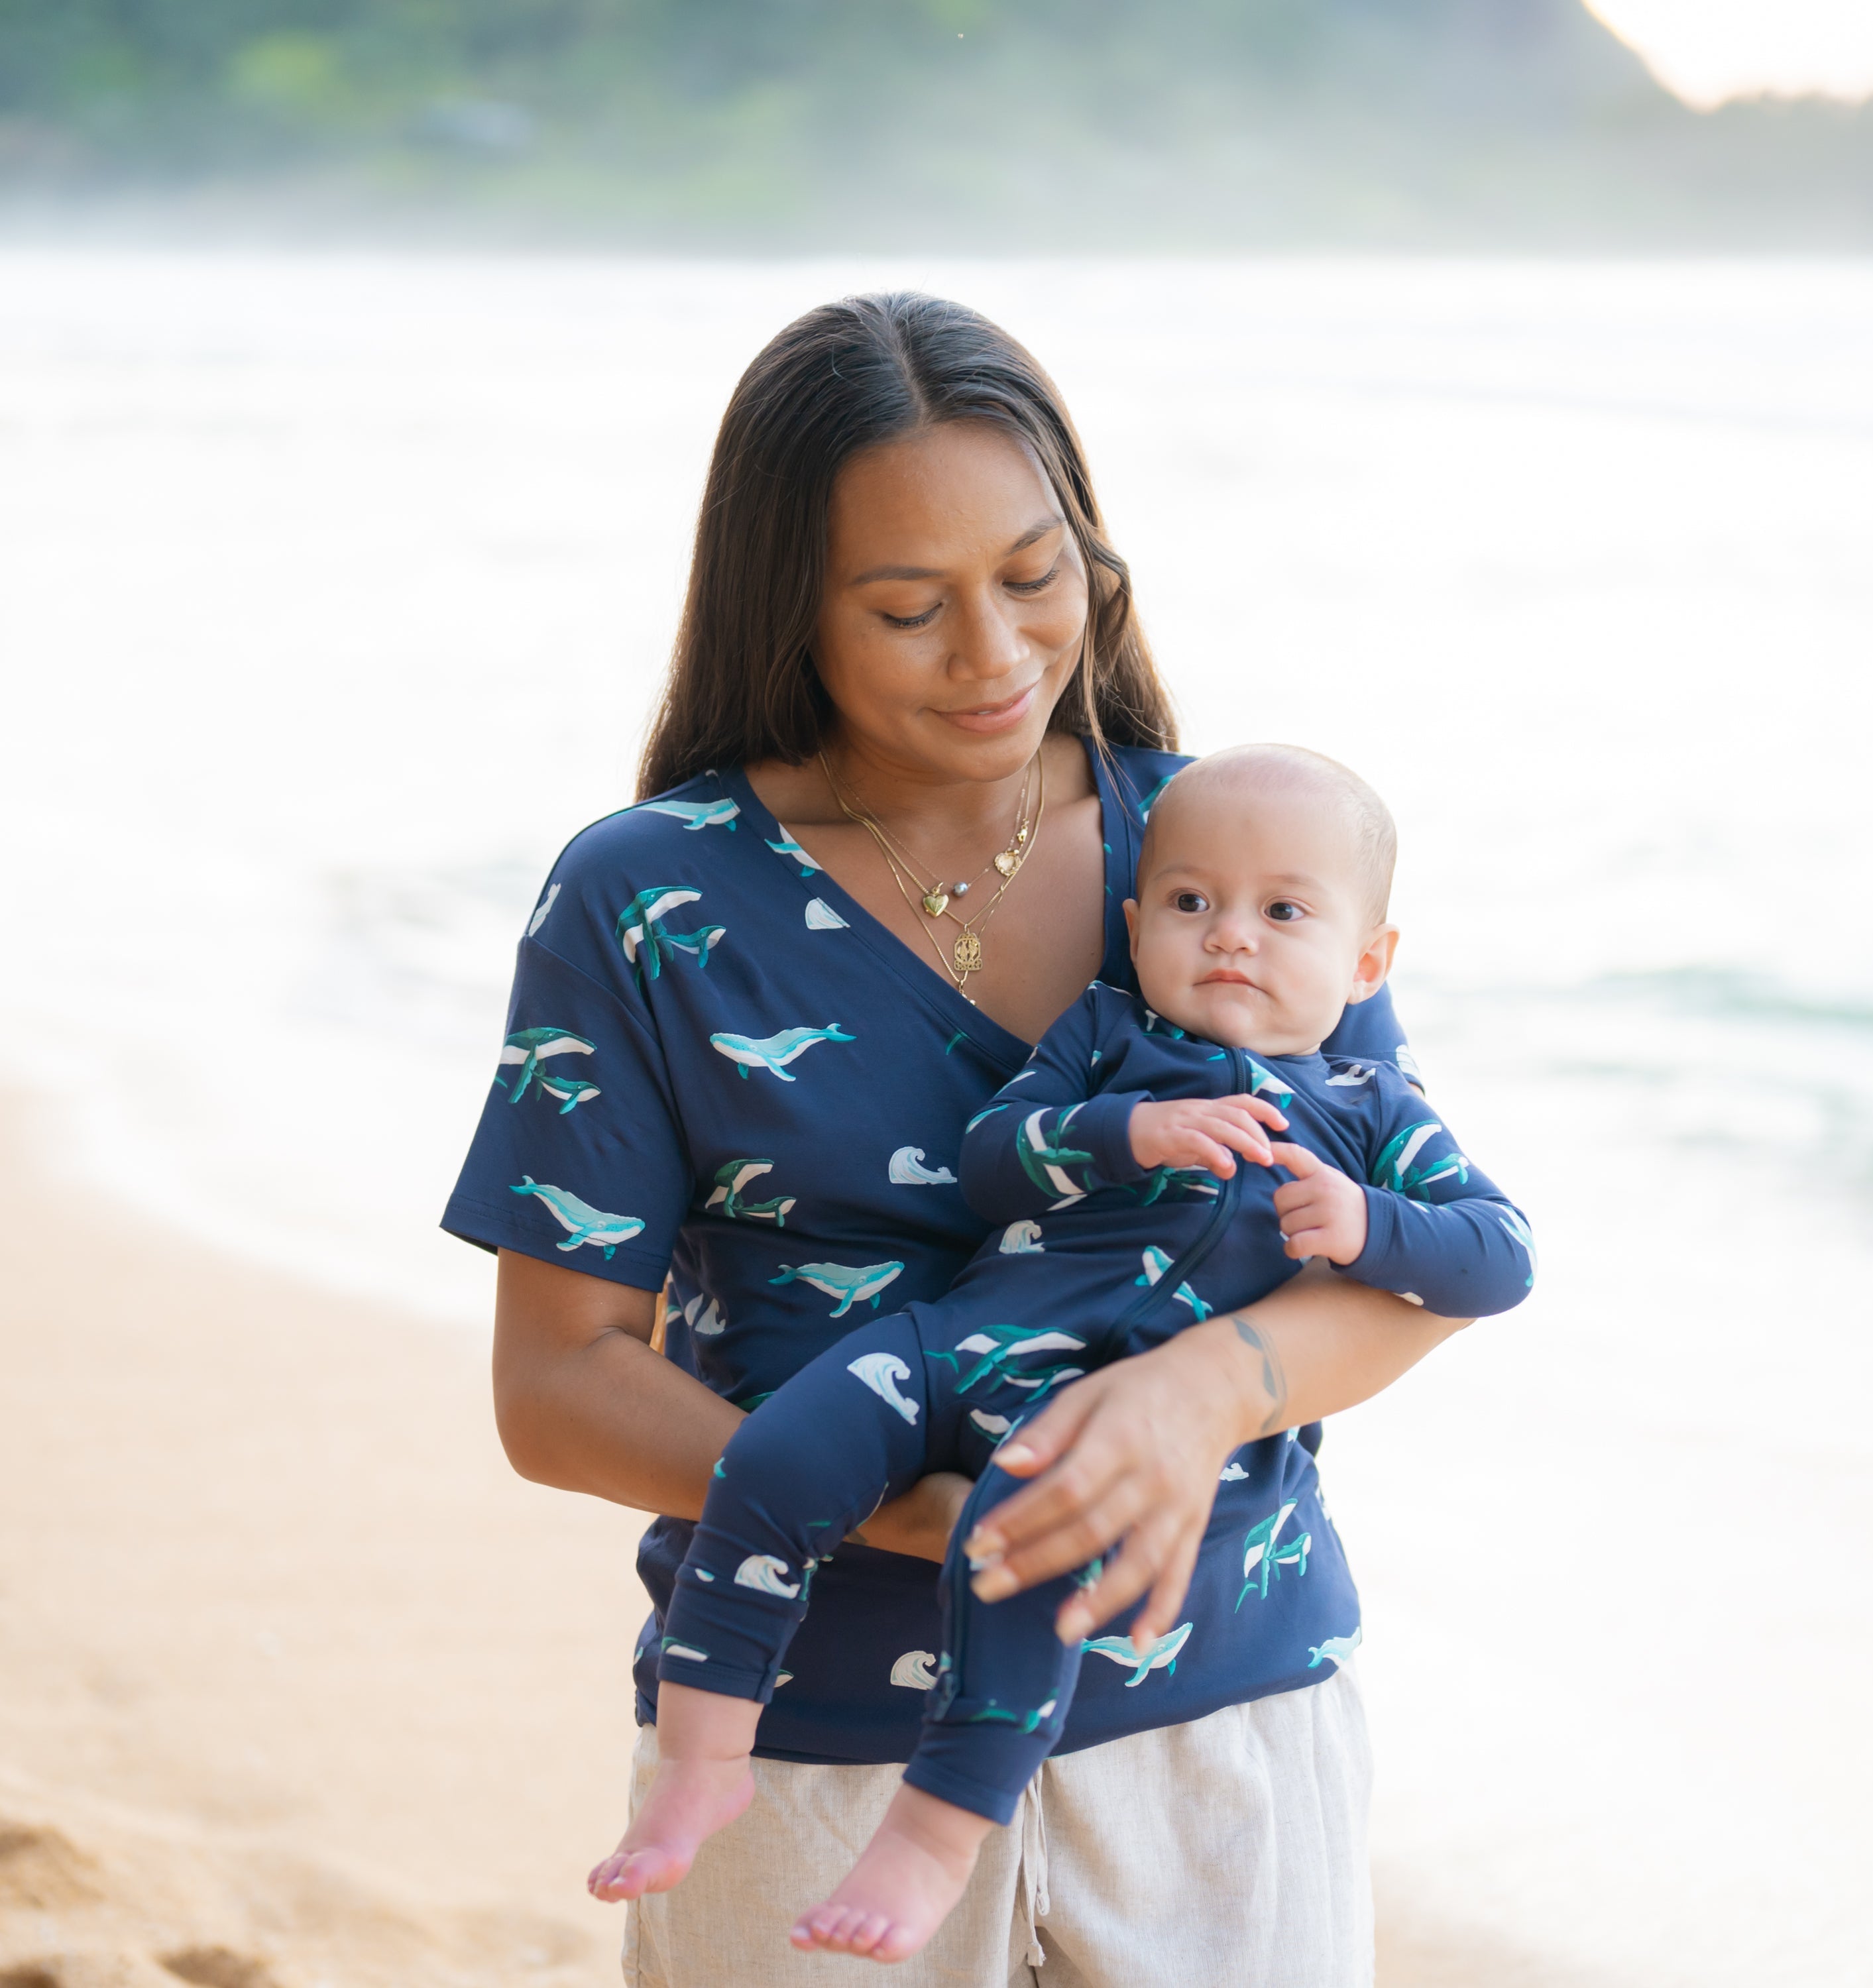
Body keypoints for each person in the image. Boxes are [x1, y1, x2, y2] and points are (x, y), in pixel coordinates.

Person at [445, 292, 1477, 1988]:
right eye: (909, 608)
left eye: (1033, 577)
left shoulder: (1229, 849)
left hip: (1221, 1704)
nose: (996, 656)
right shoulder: (648, 900)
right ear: (792, 608)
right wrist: (894, 1514)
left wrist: (1199, 1393)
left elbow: (1410, 1252)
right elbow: (555, 1385)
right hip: (804, 1737)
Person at [585, 746, 1535, 1963]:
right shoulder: (1108, 1033)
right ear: (1134, 924)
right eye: (1191, 905)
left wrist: (1370, 1225)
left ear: (1368, 963)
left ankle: (936, 1828)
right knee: (778, 1452)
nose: (1231, 935)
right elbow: (993, 1156)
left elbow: (1498, 1255)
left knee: (1028, 1544)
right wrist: (1127, 1131)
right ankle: (707, 1754)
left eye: (1282, 913)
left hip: (1082, 1415)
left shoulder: (1366, 1108)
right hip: (963, 1345)